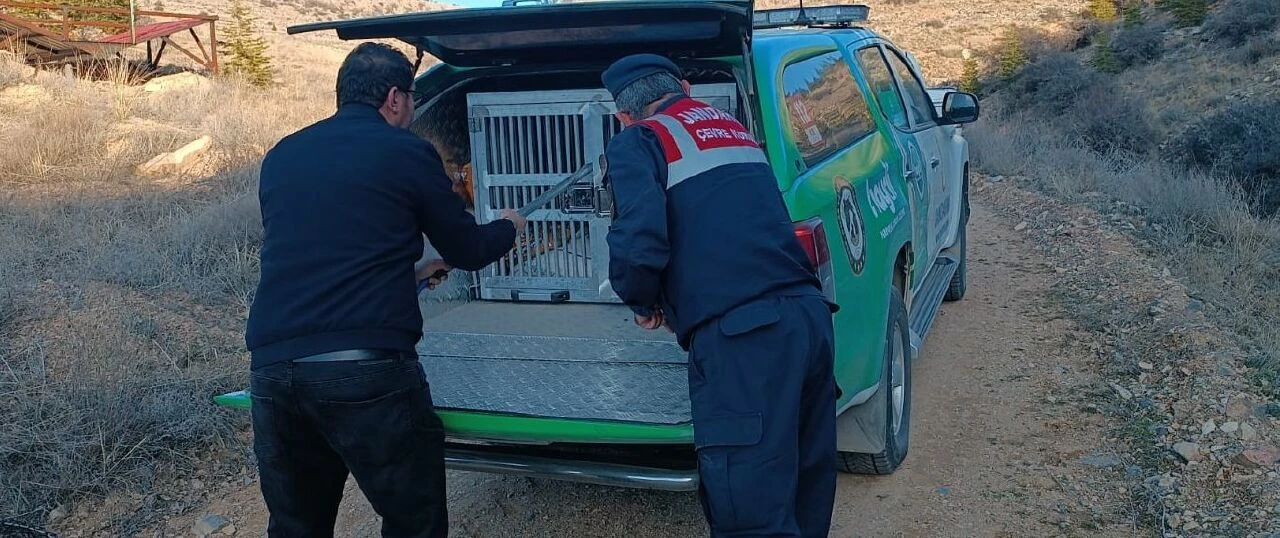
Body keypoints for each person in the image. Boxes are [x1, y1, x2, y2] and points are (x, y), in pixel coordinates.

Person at [244, 42, 525, 538]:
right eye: (412, 99)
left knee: (295, 527)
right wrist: (508, 227)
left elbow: (328, 254)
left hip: (274, 372)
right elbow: (468, 249)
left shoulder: (282, 155)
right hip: (366, 374)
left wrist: (414, 274)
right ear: (395, 98)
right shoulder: (407, 151)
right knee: (413, 522)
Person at [600, 54, 840, 537]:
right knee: (804, 492)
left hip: (744, 339)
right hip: (809, 319)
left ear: (624, 116)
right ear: (685, 88)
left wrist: (643, 302)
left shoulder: (639, 140)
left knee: (749, 507)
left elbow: (639, 242)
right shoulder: (732, 129)